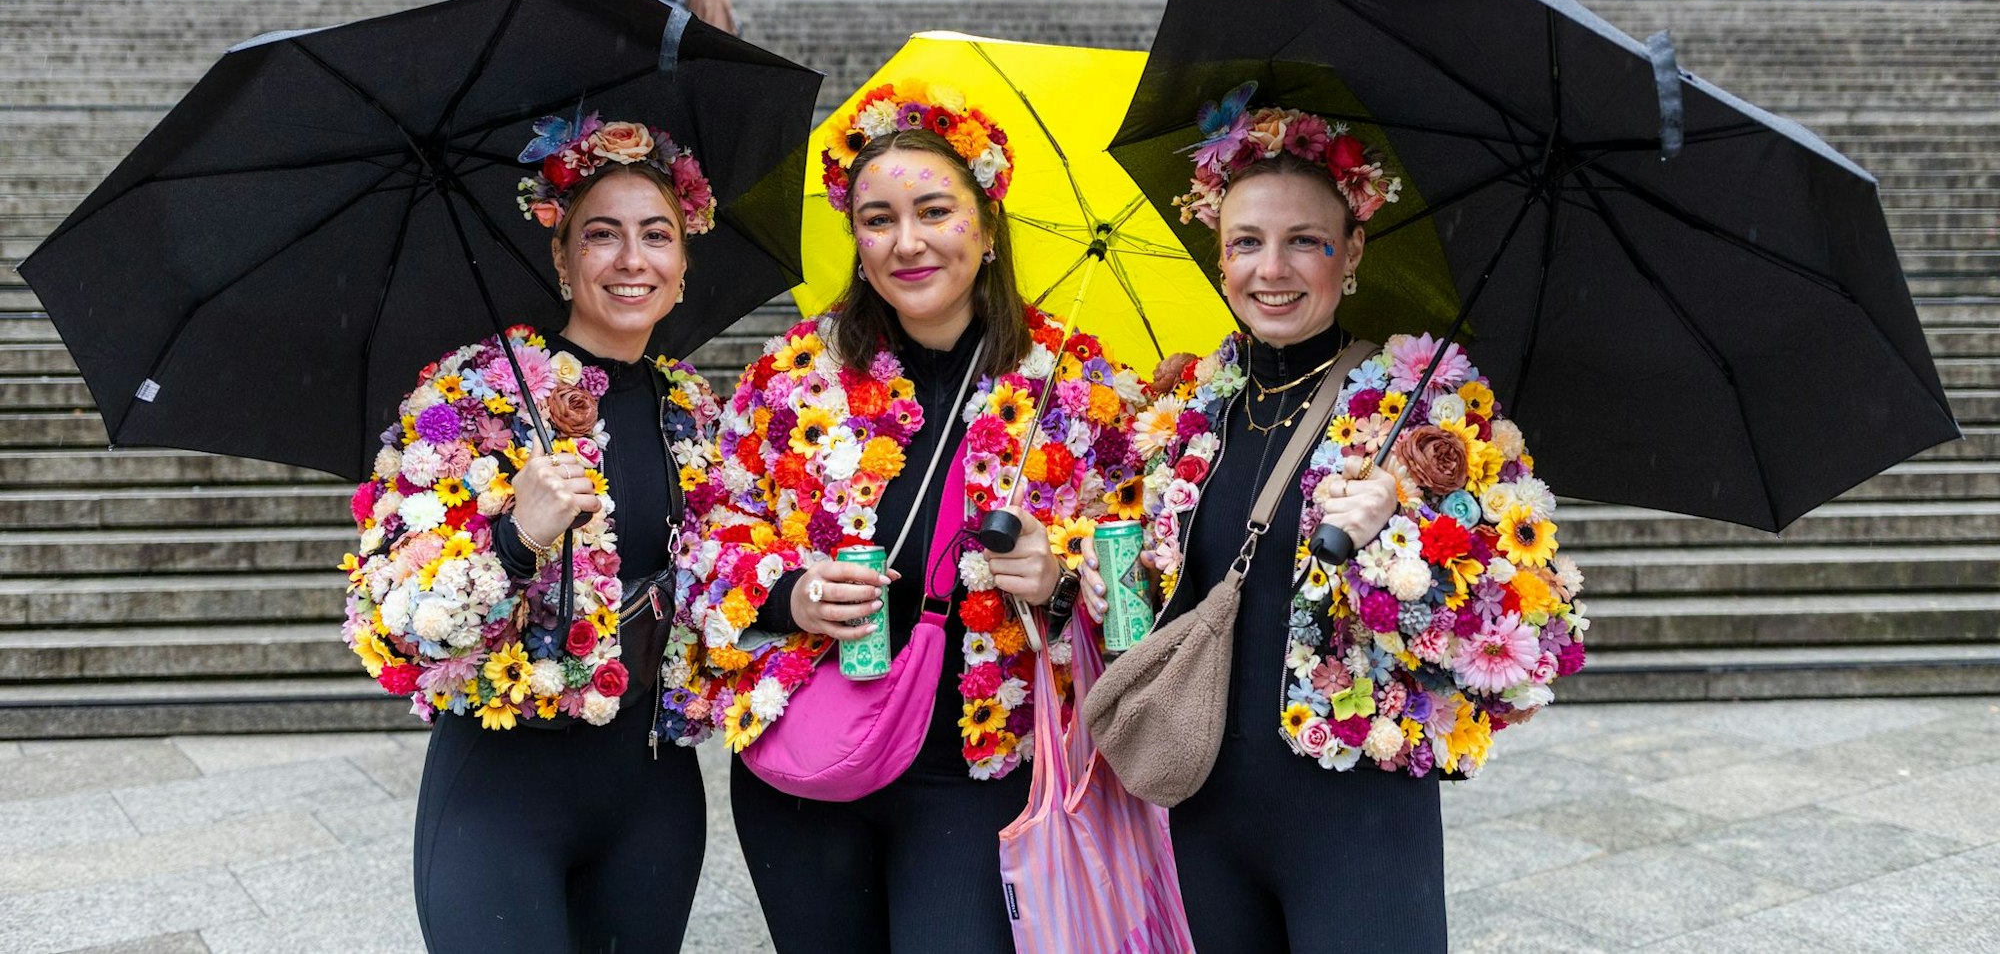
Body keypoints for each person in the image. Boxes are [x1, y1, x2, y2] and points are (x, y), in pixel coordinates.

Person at [1086, 94, 1589, 952]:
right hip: (1205, 809)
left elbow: (1535, 630)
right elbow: (1162, 586)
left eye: (1304, 241)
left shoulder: (1428, 412)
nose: (1270, 269)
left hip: (1358, 821)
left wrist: (1406, 537)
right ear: (1218, 252)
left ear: (1350, 251)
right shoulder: (1188, 411)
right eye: (1246, 241)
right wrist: (1093, 583)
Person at [666, 82, 1146, 952]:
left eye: (934, 210)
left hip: (976, 769)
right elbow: (710, 528)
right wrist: (789, 593)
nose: (908, 241)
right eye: (878, 218)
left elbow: (1143, 563)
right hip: (808, 760)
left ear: (988, 225)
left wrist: (1063, 574)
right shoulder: (790, 375)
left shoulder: (1076, 384)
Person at [342, 115, 725, 953]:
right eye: (601, 234)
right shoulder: (470, 397)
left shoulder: (694, 409)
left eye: (656, 234)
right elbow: (391, 616)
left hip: (653, 798)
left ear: (685, 261)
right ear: (560, 258)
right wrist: (515, 535)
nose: (632, 259)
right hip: (501, 797)